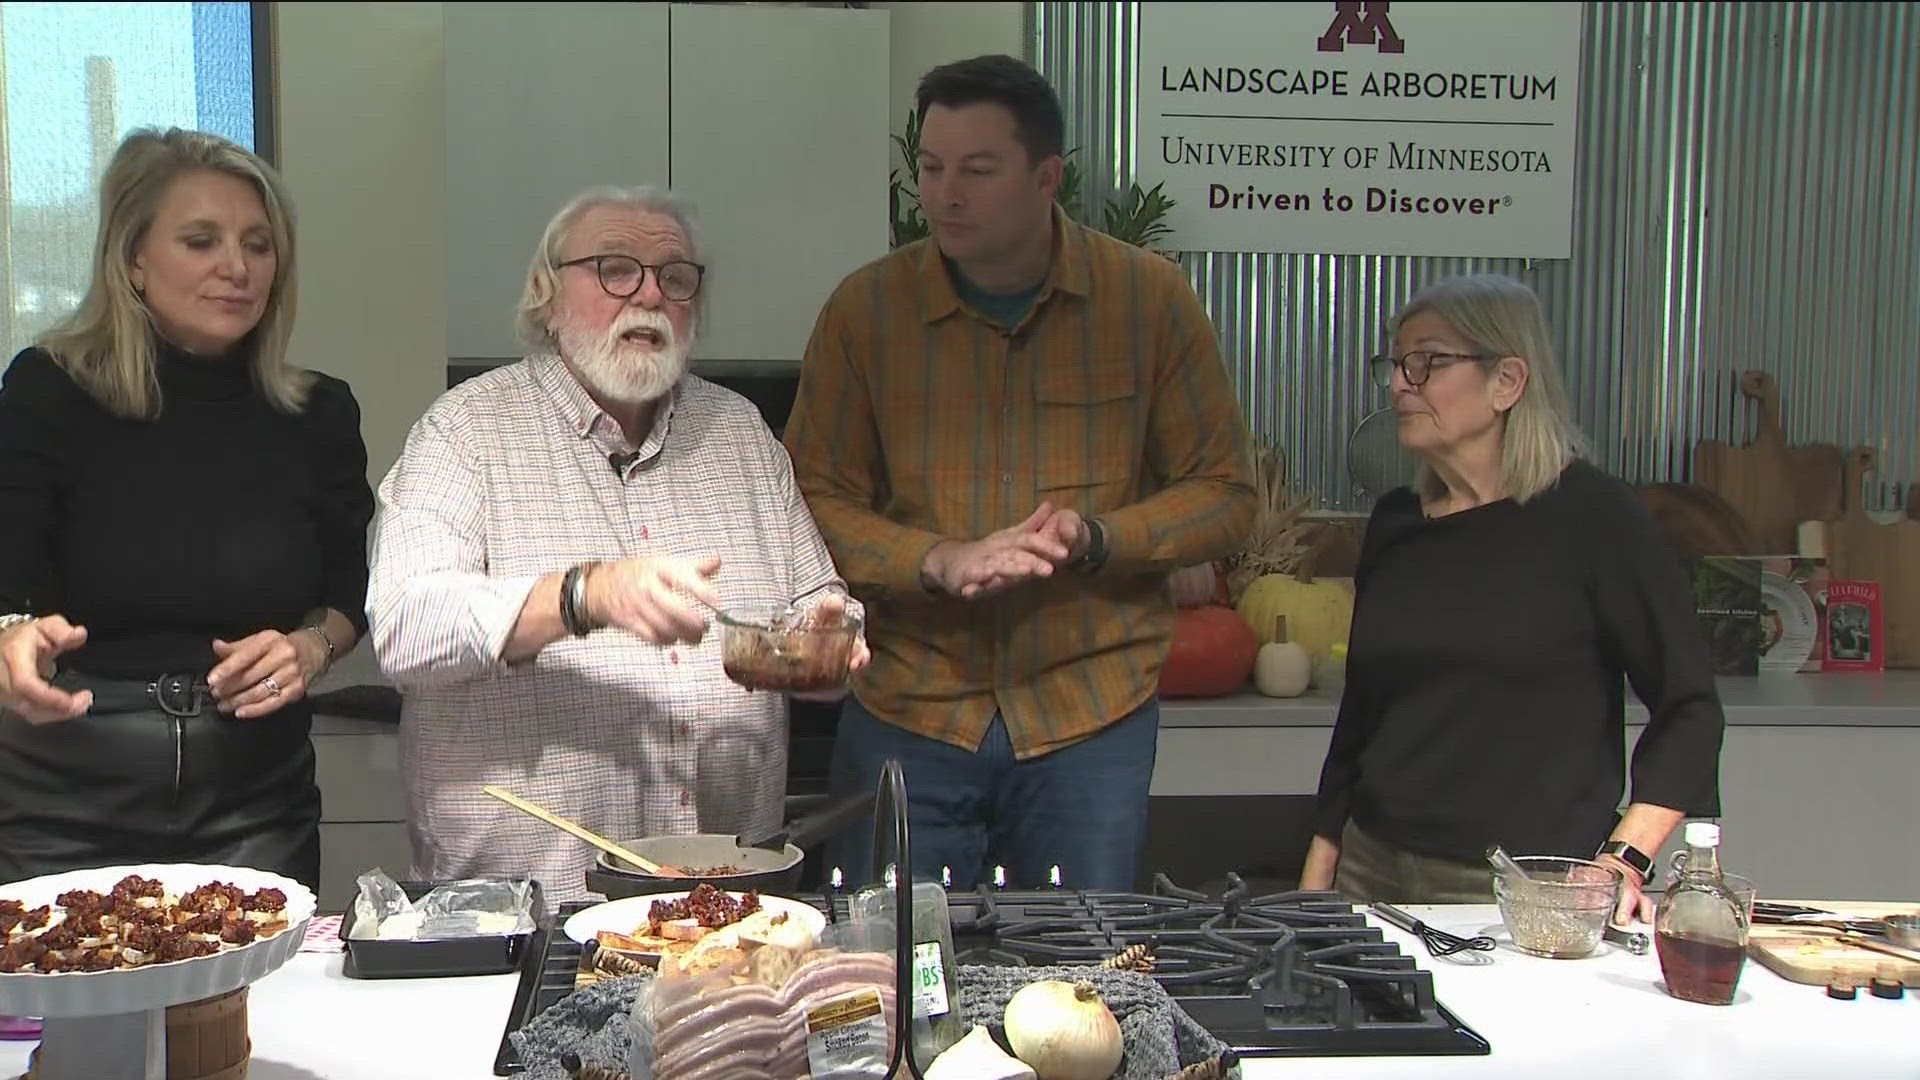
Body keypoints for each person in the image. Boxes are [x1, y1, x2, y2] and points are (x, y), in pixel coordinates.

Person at [784, 55, 1257, 892]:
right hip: (910, 707)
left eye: (977, 169)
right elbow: (810, 502)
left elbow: (1223, 496)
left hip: (1089, 714)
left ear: (1048, 177)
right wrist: (936, 560)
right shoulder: (867, 312)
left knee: (1074, 982)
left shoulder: (1148, 301)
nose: (944, 195)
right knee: (893, 980)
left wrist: (1097, 537)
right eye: (930, 169)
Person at [367, 186, 864, 903]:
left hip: (721, 898)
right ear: (546, 295)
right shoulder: (466, 432)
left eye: (675, 276)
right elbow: (406, 627)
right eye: (615, 269)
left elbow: (819, 604)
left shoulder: (743, 435)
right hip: (528, 908)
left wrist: (832, 639)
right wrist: (585, 595)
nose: (649, 296)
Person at [0, 128, 372, 892]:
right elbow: (6, 581)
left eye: (258, 245)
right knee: (76, 1002)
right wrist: (11, 636)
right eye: (200, 241)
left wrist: (310, 648)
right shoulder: (48, 390)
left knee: (252, 1013)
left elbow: (346, 594)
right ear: (133, 260)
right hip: (63, 795)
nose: (236, 268)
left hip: (256, 802)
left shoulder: (319, 412)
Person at [1300, 273, 1726, 923]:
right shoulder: (1395, 521)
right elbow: (1361, 714)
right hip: (1372, 872)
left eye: (1428, 361)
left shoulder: (1594, 518)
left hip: (1527, 891)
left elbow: (1690, 707)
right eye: (1395, 362)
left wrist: (1623, 861)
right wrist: (1318, 873)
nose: (1398, 384)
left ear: (1508, 381)